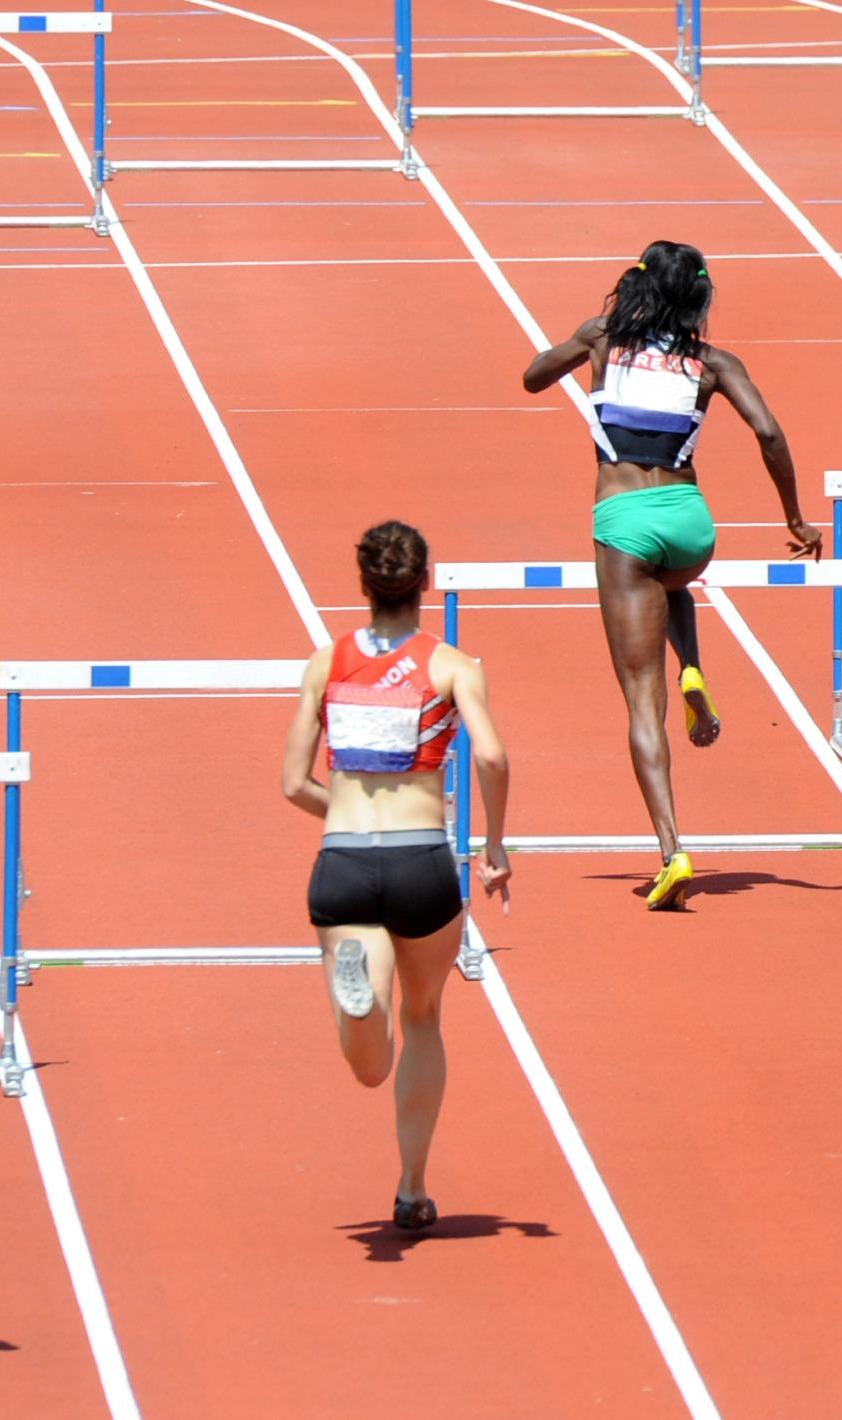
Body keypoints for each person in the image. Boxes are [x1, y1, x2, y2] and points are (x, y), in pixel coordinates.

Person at [523, 240, 820, 909]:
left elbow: (533, 377)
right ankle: (691, 665)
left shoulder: (600, 339)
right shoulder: (712, 362)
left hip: (623, 520)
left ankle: (671, 851)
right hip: (691, 523)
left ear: (633, 289)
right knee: (670, 584)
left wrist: (588, 338)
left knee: (638, 700)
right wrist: (796, 519)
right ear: (698, 299)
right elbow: (768, 432)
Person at [282, 521, 511, 1234]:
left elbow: (293, 783)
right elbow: (494, 758)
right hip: (421, 861)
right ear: (425, 585)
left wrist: (344, 814)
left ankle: (359, 1004)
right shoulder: (451, 666)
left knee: (368, 1062)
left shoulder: (325, 663)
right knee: (423, 1017)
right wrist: (493, 847)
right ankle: (412, 1188)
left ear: (364, 585)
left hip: (344, 859)